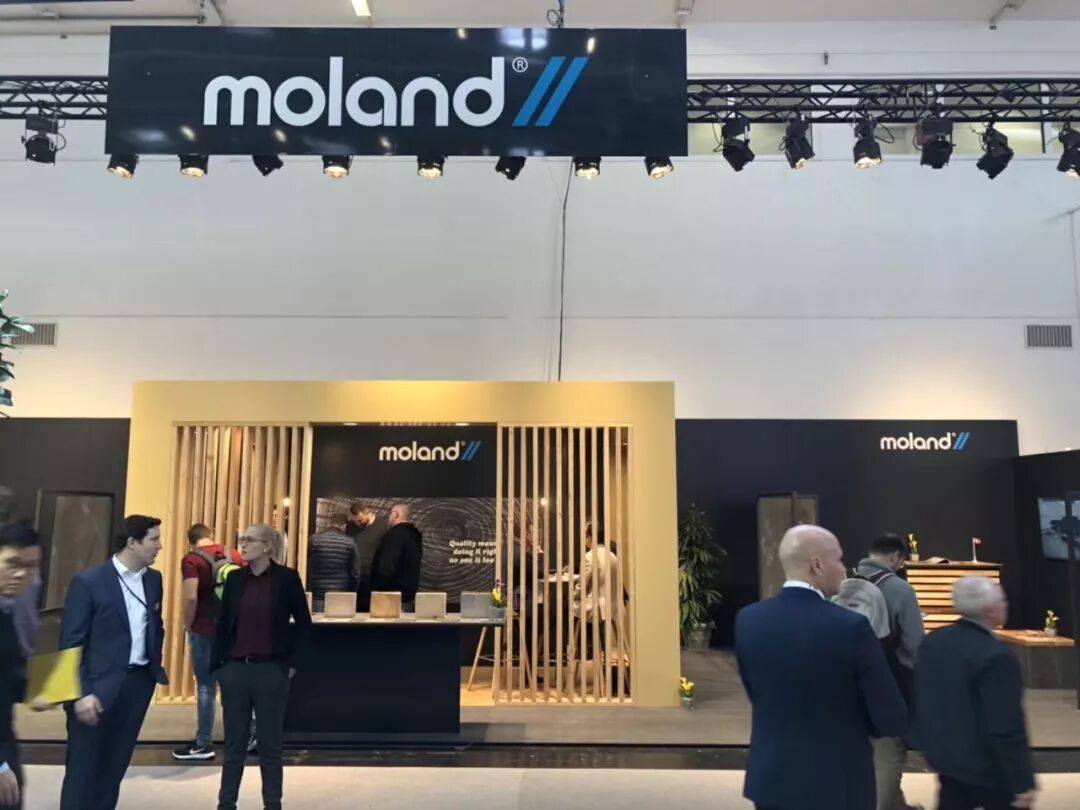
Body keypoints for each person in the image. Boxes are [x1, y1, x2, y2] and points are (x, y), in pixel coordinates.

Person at [735, 525, 906, 810]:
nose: (844, 568)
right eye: (838, 559)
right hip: (836, 783)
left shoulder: (748, 620)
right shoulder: (851, 627)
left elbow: (756, 692)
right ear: (817, 565)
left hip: (772, 779)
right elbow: (890, 717)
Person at [59, 515, 168, 810]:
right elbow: (70, 644)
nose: (160, 546)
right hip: (94, 690)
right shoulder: (89, 582)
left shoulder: (153, 580)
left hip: (137, 686)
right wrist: (79, 693)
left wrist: (153, 666)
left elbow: (155, 626)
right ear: (132, 543)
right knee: (82, 772)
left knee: (113, 770)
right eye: (154, 539)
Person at [212, 524, 311, 810]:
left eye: (250, 540)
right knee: (234, 744)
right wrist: (220, 666)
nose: (242, 545)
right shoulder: (234, 579)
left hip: (271, 670)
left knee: (270, 745)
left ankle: (272, 803)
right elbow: (222, 624)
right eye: (241, 539)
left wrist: (291, 664)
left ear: (267, 546)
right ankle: (226, 803)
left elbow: (304, 624)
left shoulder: (287, 579)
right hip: (235, 670)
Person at [915, 577, 1036, 810]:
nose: (1006, 604)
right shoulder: (996, 656)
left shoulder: (934, 641)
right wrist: (1022, 780)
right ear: (990, 611)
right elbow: (1006, 725)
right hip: (990, 769)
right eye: (1002, 600)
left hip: (948, 761)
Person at [854, 533, 926, 810]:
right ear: (895, 557)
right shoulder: (900, 589)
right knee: (889, 749)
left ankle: (896, 805)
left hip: (850, 679)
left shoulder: (845, 582)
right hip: (888, 681)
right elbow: (914, 644)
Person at [173, 523, 243, 761]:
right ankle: (247, 736)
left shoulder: (191, 560)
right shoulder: (233, 554)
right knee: (235, 685)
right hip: (232, 629)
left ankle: (203, 743)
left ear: (191, 540)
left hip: (204, 628)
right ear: (210, 535)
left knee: (206, 686)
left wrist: (188, 623)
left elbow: (191, 597)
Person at [0, 523, 43, 810]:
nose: (21, 574)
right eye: (13, 563)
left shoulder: (7, 610)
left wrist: (34, 692)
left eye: (30, 566)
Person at [371, 503, 423, 609]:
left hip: (391, 597)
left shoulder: (395, 534)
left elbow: (387, 564)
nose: (389, 517)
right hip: (408, 596)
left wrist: (380, 588)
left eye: (390, 514)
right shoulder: (414, 535)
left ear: (396, 514)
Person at [306, 513, 361, 613]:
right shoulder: (350, 542)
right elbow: (356, 573)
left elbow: (306, 563)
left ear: (330, 524)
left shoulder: (314, 539)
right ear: (344, 526)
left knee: (318, 621)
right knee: (338, 622)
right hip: (341, 594)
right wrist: (352, 591)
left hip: (318, 593)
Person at [351, 507, 387, 612]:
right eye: (355, 521)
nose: (358, 523)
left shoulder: (382, 525)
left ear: (367, 513)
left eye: (360, 520)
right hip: (357, 577)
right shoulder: (352, 527)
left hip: (373, 577)